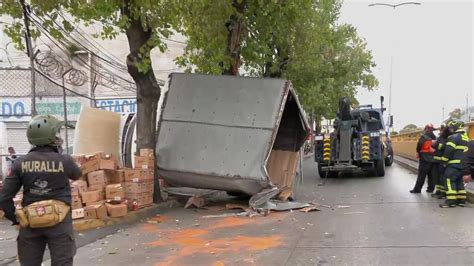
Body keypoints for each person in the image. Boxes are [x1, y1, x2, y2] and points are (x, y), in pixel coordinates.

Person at [0, 115, 81, 265]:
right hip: (60, 222)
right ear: (51, 137)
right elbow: (77, 174)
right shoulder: (65, 160)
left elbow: (4, 198)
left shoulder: (19, 163)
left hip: (30, 223)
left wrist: (16, 219)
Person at [439, 119, 469, 208]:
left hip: (454, 164)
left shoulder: (453, 137)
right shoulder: (466, 137)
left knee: (448, 180)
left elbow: (449, 150)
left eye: (451, 128)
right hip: (463, 165)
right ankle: (461, 201)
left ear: (456, 127)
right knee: (459, 181)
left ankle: (451, 201)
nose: (450, 130)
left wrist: (444, 161)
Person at [410, 123, 437, 193]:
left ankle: (417, 189)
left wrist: (417, 152)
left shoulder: (423, 137)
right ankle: (430, 189)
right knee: (431, 176)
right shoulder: (435, 138)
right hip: (433, 159)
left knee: (421, 175)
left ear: (426, 129)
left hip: (424, 159)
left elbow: (419, 146)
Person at [431, 122, 450, 198]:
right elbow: (436, 146)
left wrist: (435, 147)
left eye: (441, 130)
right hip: (436, 161)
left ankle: (443, 192)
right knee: (436, 176)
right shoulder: (440, 138)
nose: (440, 131)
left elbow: (444, 149)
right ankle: (438, 191)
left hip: (442, 161)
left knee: (442, 177)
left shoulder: (448, 138)